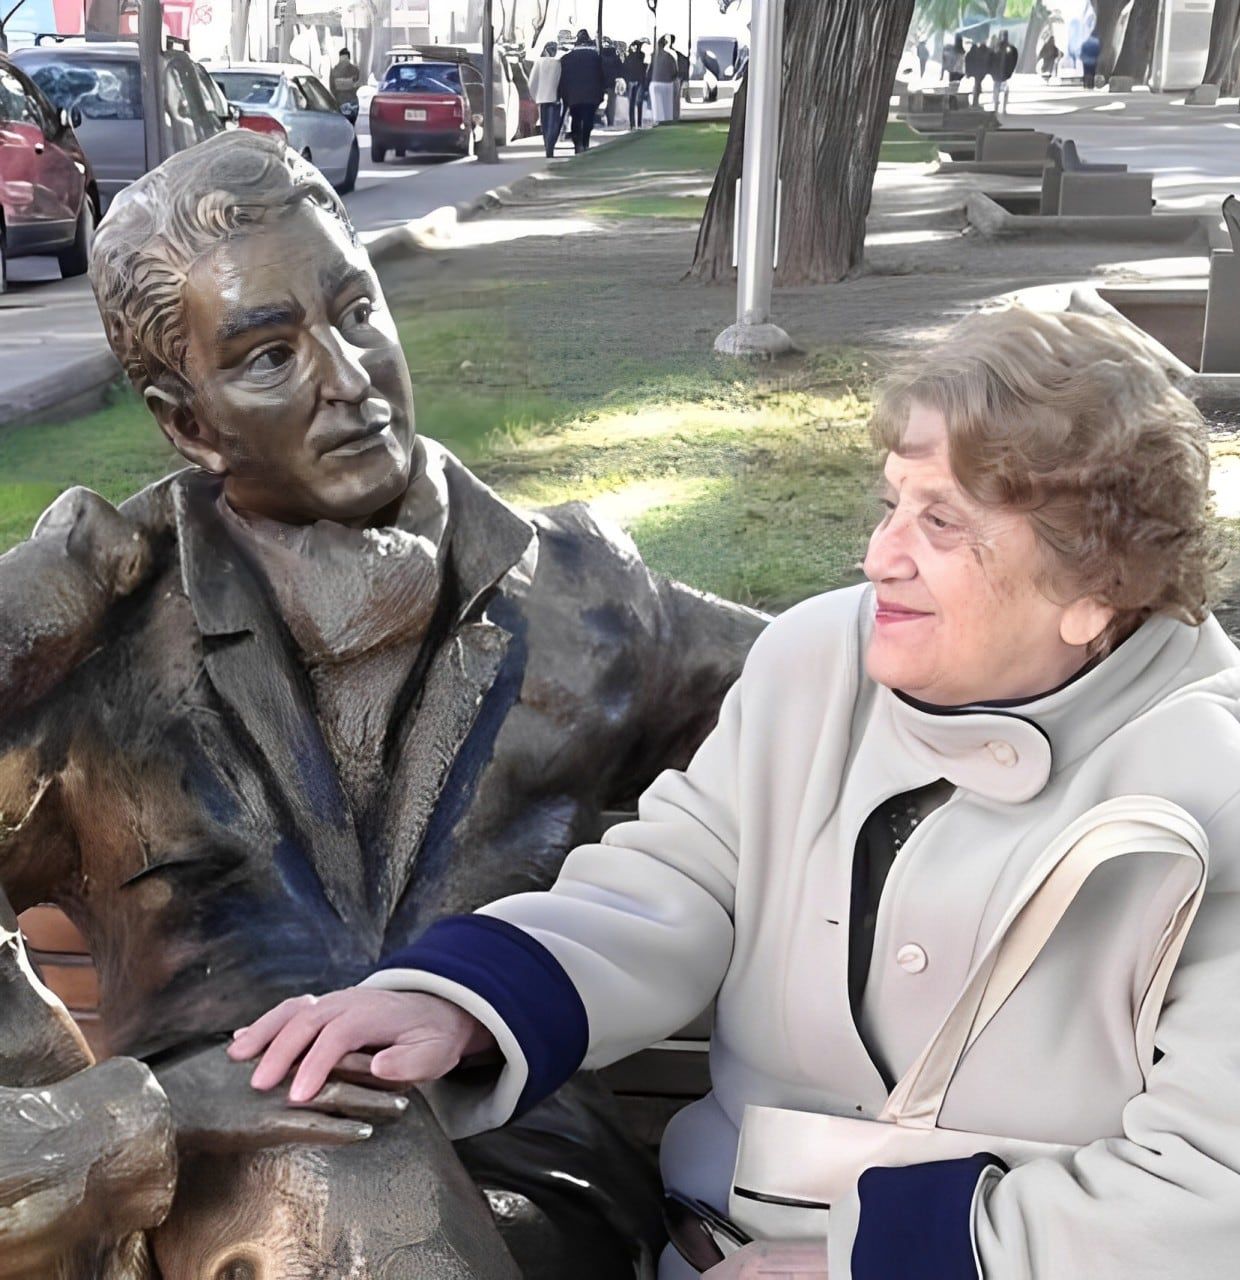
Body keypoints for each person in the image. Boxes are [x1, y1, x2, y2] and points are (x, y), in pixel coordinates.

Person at [237, 305, 1240, 1280]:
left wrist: (858, 1263)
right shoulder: (818, 660)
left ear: (1099, 583)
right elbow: (681, 877)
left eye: (943, 523)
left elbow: (1230, 1191)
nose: (879, 557)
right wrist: (460, 1001)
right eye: (891, 503)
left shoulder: (1239, 799)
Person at [0, 130, 763, 1277]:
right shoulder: (98, 634)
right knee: (341, 1167)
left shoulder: (582, 595)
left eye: (355, 312)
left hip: (528, 1185)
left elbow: (850, 695)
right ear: (184, 418)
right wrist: (117, 1112)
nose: (350, 379)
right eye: (269, 354)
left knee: (372, 1164)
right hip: (210, 1194)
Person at [558, 28, 607, 151]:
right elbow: (601, 76)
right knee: (588, 120)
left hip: (573, 96)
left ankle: (577, 144)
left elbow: (563, 79)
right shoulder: (595, 57)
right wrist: (601, 94)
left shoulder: (566, 59)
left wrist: (563, 95)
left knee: (576, 119)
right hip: (591, 95)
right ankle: (585, 142)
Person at [529, 39, 562, 157]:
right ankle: (550, 145)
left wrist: (534, 96)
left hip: (542, 98)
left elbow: (532, 82)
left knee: (545, 124)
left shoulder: (539, 62)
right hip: (555, 98)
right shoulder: (558, 63)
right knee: (553, 124)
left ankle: (547, 145)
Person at [649, 33, 678, 124]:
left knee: (657, 108)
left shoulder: (653, 56)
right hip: (667, 83)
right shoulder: (670, 56)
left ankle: (658, 121)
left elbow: (649, 70)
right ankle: (667, 122)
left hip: (655, 82)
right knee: (667, 107)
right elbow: (675, 71)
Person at [623, 38, 648, 127]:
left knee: (632, 103)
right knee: (638, 102)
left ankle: (632, 124)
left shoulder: (630, 56)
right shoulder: (640, 55)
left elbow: (625, 68)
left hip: (632, 80)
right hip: (638, 80)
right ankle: (638, 123)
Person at [601, 37, 625, 126]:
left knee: (600, 101)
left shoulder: (600, 56)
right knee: (611, 104)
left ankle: (600, 118)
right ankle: (610, 122)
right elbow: (621, 70)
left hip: (601, 82)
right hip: (612, 83)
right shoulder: (615, 57)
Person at [992, 30, 1018, 112]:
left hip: (1001, 72)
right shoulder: (1007, 47)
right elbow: (1014, 57)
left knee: (999, 87)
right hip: (1002, 72)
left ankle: (998, 105)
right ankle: (999, 105)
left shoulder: (999, 47)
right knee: (1001, 88)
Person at [328, 45, 360, 111]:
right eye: (342, 58)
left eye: (345, 58)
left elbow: (357, 85)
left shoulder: (355, 70)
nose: (343, 60)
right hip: (340, 101)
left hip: (350, 101)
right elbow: (332, 87)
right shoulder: (334, 70)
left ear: (348, 59)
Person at [966, 35, 991, 107]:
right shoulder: (984, 50)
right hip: (980, 72)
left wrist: (968, 72)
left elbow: (968, 61)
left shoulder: (976, 50)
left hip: (977, 71)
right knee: (977, 86)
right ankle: (975, 102)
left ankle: (975, 101)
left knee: (977, 85)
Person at [670, 35, 690, 120]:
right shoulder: (679, 55)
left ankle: (674, 116)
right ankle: (674, 116)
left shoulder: (676, 54)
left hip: (675, 78)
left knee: (674, 99)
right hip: (677, 77)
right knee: (675, 100)